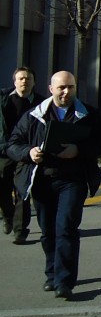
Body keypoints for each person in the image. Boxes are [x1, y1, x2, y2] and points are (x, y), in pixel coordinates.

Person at [6, 71, 101, 300]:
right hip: (42, 179)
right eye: (61, 87)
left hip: (73, 180)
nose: (66, 92)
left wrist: (79, 150)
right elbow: (12, 144)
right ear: (51, 88)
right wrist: (28, 152)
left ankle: (65, 281)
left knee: (66, 228)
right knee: (48, 231)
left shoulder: (88, 114)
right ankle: (51, 274)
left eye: (70, 87)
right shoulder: (34, 115)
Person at [2, 66, 44, 244]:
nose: (24, 81)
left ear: (34, 82)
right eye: (21, 78)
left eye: (28, 79)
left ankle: (20, 230)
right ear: (15, 82)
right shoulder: (3, 100)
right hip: (4, 151)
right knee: (2, 188)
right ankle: (8, 215)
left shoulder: (42, 104)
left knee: (22, 190)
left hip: (26, 151)